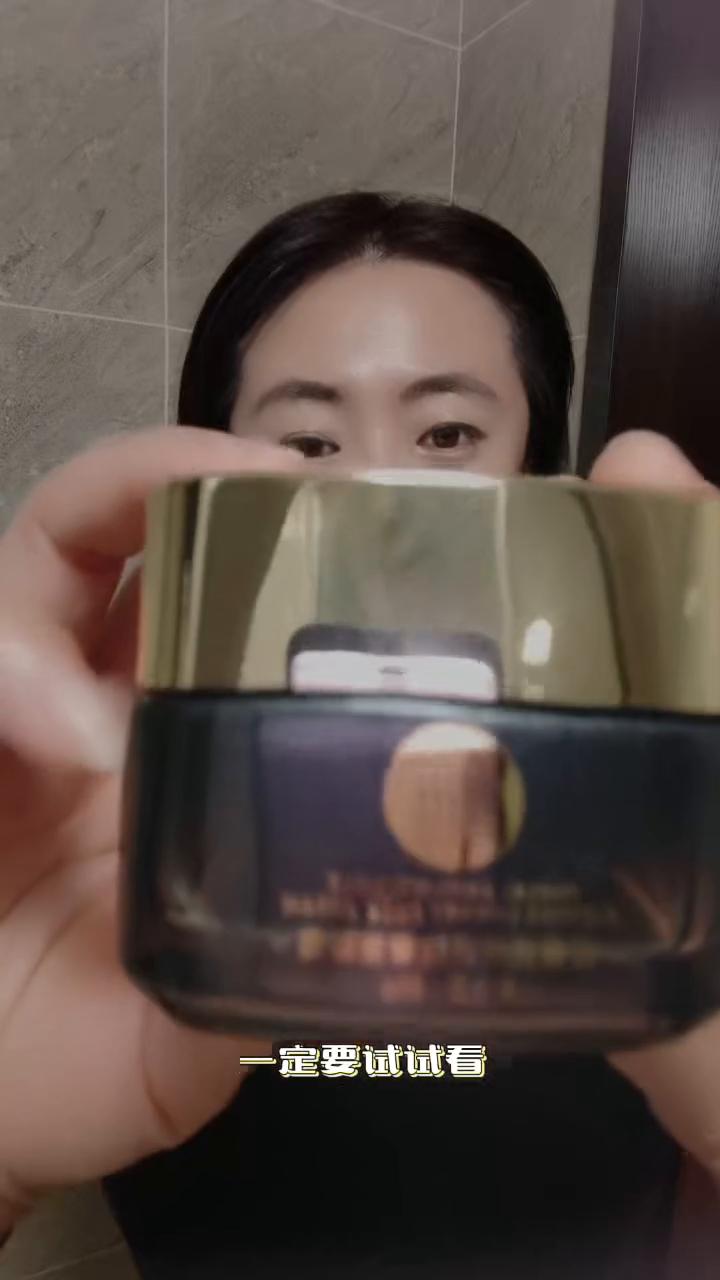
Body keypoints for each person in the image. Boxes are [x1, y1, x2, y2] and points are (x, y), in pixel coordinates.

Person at [0, 193, 717, 1266]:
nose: (382, 503)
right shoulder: (148, 862)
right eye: (307, 441)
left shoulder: (647, 849)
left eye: (448, 434)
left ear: (536, 471)